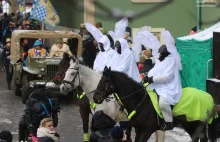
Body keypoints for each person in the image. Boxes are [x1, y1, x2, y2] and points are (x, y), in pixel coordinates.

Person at [145, 30, 182, 131]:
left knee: (162, 102)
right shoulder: (161, 60)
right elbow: (156, 70)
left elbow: (167, 77)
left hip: (169, 86)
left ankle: (169, 122)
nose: (159, 55)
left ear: (165, 54)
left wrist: (152, 79)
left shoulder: (171, 61)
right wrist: (147, 76)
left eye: (161, 54)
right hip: (158, 84)